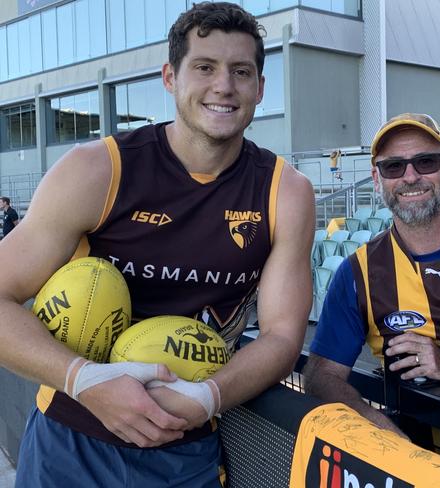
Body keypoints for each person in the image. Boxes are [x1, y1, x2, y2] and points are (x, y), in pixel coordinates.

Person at [3, 2, 314, 487]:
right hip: (70, 438)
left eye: (241, 71)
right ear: (170, 77)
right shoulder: (97, 170)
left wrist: (208, 396)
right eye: (204, 67)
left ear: (260, 88)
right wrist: (81, 378)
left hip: (184, 447)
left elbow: (281, 336)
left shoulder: (285, 192)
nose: (224, 86)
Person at [304, 113, 440, 436]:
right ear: (377, 179)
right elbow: (320, 377)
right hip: (415, 463)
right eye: (393, 166)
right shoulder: (358, 272)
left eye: (425, 162)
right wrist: (384, 432)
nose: (410, 177)